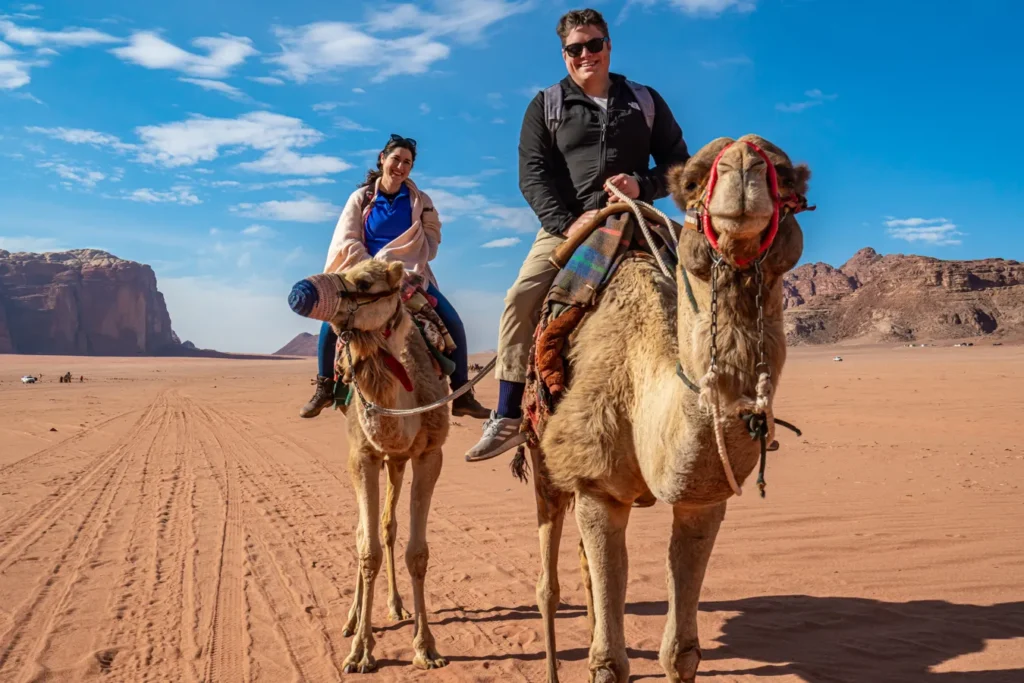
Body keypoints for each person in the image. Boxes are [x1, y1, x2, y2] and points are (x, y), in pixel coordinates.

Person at [465, 7, 691, 462]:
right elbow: (532, 175)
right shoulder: (546, 105)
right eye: (574, 49)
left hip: (636, 217)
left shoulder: (645, 100)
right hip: (567, 226)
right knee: (521, 298)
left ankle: (730, 402)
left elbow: (677, 164)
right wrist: (566, 224)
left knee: (706, 280)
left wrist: (640, 184)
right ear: (564, 54)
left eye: (593, 45)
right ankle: (508, 414)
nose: (585, 55)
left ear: (608, 47)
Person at [300, 133, 490, 420]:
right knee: (333, 322)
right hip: (364, 274)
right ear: (382, 159)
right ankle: (325, 386)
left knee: (452, 321)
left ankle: (462, 392)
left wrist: (410, 258)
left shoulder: (419, 200)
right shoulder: (362, 199)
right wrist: (374, 269)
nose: (400, 167)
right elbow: (346, 240)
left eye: (407, 163)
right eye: (396, 160)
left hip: (410, 274)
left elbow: (431, 239)